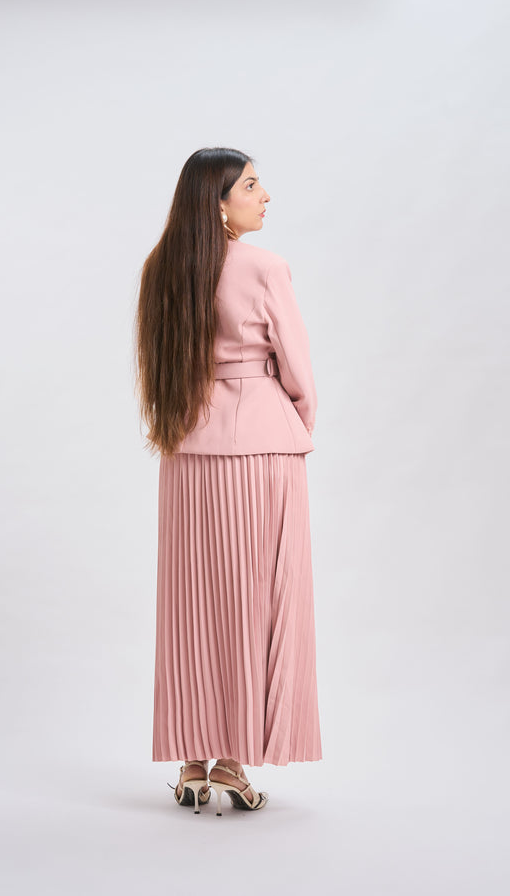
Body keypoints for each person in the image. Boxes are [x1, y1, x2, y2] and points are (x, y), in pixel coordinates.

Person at [133, 147, 322, 815]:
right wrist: (294, 421)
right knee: (256, 601)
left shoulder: (163, 268)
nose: (265, 194)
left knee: (191, 604)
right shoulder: (265, 267)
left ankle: (191, 762)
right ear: (219, 201)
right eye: (251, 184)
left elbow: (159, 367)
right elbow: (298, 374)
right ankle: (233, 764)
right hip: (260, 449)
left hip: (187, 449)